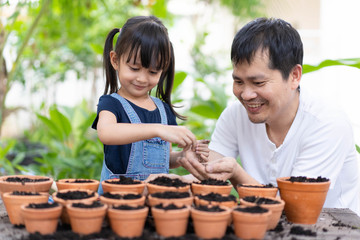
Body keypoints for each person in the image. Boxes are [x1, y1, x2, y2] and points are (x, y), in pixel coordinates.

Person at [179, 17, 360, 214]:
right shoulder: (235, 115)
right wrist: (172, 180)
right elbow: (210, 170)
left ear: (294, 76)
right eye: (238, 82)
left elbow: (296, 208)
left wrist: (237, 175)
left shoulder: (327, 124)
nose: (246, 95)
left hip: (334, 230)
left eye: (258, 83)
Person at [92, 16, 209, 194]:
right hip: (117, 199)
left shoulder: (163, 111)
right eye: (134, 68)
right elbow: (106, 133)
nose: (142, 78)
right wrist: (157, 129)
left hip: (155, 199)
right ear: (115, 60)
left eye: (153, 71)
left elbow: (163, 159)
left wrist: (183, 157)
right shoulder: (111, 104)